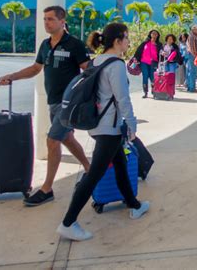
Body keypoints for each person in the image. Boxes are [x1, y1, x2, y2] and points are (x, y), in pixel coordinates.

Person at [56, 23, 149, 241]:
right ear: (117, 40)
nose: (128, 42)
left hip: (98, 125)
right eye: (126, 38)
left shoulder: (96, 61)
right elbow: (122, 98)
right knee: (93, 175)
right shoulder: (116, 65)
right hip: (109, 127)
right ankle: (68, 222)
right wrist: (132, 125)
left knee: (120, 163)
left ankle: (134, 204)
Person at [0, 6, 90, 207]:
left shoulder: (74, 44)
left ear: (62, 21)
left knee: (52, 140)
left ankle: (47, 189)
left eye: (50, 19)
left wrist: (82, 96)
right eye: (45, 19)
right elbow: (35, 68)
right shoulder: (45, 45)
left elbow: (88, 70)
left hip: (68, 103)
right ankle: (90, 169)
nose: (46, 23)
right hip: (53, 101)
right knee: (66, 138)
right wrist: (12, 77)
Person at [134, 30, 162, 98]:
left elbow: (161, 52)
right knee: (145, 76)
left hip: (154, 63)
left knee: (153, 77)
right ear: (150, 34)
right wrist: (136, 58)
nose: (154, 35)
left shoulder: (159, 44)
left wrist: (162, 54)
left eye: (156, 34)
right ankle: (145, 92)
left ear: (157, 35)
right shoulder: (145, 43)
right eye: (153, 33)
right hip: (144, 62)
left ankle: (154, 90)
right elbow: (138, 51)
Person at [186, 25, 197, 92]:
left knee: (190, 71)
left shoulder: (192, 36)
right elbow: (192, 48)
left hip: (191, 55)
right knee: (193, 72)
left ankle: (190, 87)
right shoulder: (192, 37)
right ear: (194, 29)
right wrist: (195, 56)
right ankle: (192, 88)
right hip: (193, 55)